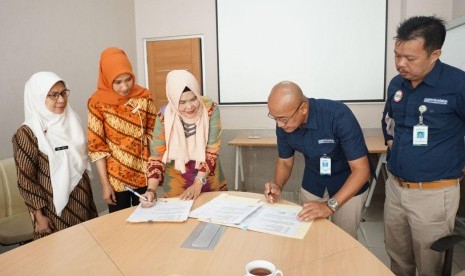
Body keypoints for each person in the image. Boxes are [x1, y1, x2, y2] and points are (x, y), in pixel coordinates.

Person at [381, 15, 465, 275]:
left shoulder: (458, 85)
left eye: (410, 58)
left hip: (433, 194)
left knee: (430, 264)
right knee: (398, 258)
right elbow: (388, 121)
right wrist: (393, 143)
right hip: (395, 188)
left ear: (434, 54)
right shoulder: (397, 84)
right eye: (397, 55)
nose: (400, 64)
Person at [264, 81, 370, 238]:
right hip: (313, 183)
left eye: (283, 119)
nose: (279, 124)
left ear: (303, 109)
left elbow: (361, 170)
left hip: (347, 185)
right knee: (310, 237)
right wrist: (278, 185)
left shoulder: (338, 115)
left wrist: (330, 206)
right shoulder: (284, 123)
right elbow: (285, 161)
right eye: (275, 118)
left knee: (342, 240)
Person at [12, 72, 97, 240]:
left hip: (82, 198)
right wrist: (39, 215)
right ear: (38, 97)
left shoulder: (72, 120)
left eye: (64, 93)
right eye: (53, 95)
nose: (62, 100)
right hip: (51, 210)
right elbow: (25, 179)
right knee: (58, 257)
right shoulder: (27, 133)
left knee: (89, 249)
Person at [140, 70, 227, 206]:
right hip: (177, 182)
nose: (189, 106)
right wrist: (151, 190)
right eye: (182, 102)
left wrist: (198, 182)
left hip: (207, 178)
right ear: (173, 100)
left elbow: (211, 150)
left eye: (194, 99)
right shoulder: (164, 116)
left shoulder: (210, 108)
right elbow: (157, 157)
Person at [88, 47, 156, 213]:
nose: (125, 87)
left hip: (143, 173)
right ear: (106, 78)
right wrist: (105, 185)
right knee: (119, 227)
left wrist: (154, 176)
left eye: (128, 79)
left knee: (148, 220)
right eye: (117, 82)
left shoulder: (144, 97)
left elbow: (155, 135)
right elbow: (97, 147)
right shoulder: (97, 103)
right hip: (116, 179)